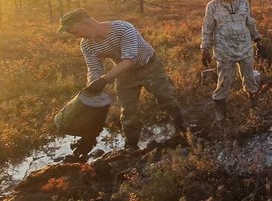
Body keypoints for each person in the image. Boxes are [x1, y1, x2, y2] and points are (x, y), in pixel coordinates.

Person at [57, 8, 185, 151]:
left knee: (166, 98)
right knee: (129, 112)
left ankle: (183, 131)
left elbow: (129, 59)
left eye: (75, 31)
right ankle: (131, 146)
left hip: (149, 66)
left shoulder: (123, 28)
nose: (75, 36)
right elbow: (94, 69)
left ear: (86, 22)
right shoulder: (86, 44)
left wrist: (104, 80)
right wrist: (92, 84)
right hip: (124, 75)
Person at [201, 0, 261, 120]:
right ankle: (220, 111)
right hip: (224, 50)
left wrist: (257, 39)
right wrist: (205, 48)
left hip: (245, 48)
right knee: (224, 80)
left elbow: (250, 22)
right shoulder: (212, 6)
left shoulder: (244, 3)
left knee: (250, 78)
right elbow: (207, 27)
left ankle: (254, 107)